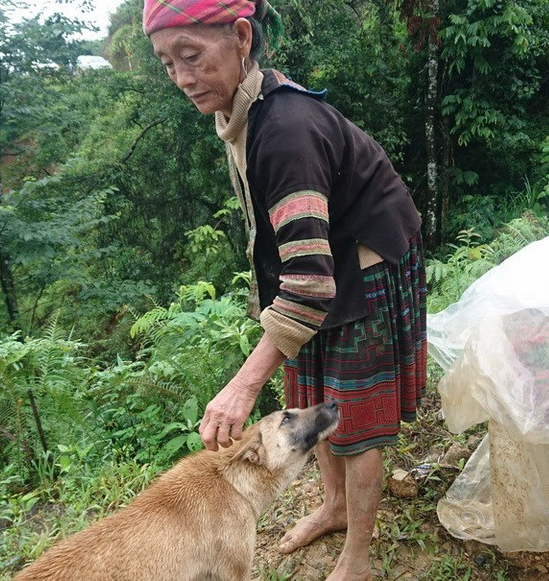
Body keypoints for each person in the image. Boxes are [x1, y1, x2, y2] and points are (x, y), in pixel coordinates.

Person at [142, 1, 427, 579]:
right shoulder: (242, 112)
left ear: (241, 37)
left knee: (352, 411)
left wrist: (243, 386)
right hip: (321, 262)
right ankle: (335, 505)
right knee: (312, 383)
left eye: (191, 56)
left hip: (365, 259)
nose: (181, 78)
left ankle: (358, 558)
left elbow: (308, 284)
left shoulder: (287, 129)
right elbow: (291, 251)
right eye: (167, 62)